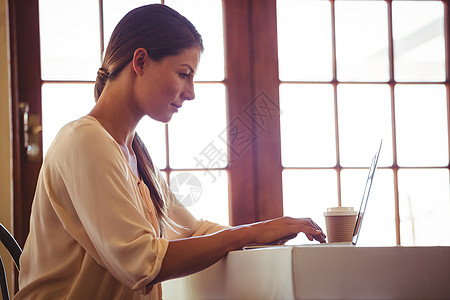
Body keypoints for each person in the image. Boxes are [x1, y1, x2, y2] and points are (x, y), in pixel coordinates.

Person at [14, 4, 326, 300]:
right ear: (140, 62)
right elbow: (142, 263)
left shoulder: (135, 155)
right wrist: (248, 234)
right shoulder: (84, 141)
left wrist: (267, 233)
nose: (191, 92)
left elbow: (190, 231)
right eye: (183, 73)